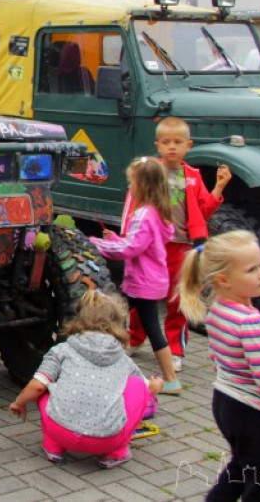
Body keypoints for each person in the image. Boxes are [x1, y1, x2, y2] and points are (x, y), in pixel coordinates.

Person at [179, 230, 260, 500]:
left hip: (225, 402)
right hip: (253, 414)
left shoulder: (217, 311)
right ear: (224, 280)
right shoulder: (252, 323)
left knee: (241, 468)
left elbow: (219, 357)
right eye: (251, 269)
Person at [9, 290, 164, 469]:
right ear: (117, 323)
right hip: (106, 439)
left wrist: (19, 403)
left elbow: (37, 386)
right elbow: (146, 388)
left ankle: (53, 448)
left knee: (44, 384)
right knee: (137, 385)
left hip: (61, 432)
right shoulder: (122, 358)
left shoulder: (62, 350)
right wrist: (155, 386)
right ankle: (115, 454)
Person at [127, 116, 231, 371]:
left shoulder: (193, 176)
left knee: (179, 299)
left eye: (177, 142)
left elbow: (204, 210)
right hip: (153, 245)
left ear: (189, 145)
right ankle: (134, 337)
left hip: (182, 246)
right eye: (166, 142)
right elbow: (134, 204)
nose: (172, 147)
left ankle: (175, 348)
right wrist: (129, 235)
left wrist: (219, 187)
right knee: (143, 295)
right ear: (158, 146)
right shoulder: (151, 172)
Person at [91, 156, 181, 394]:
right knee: (129, 322)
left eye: (132, 183)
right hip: (152, 280)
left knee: (129, 323)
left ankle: (170, 379)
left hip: (143, 282)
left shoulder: (143, 215)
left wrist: (96, 244)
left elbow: (130, 249)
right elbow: (141, 245)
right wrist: (115, 238)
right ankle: (166, 378)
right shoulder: (159, 213)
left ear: (143, 186)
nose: (129, 188)